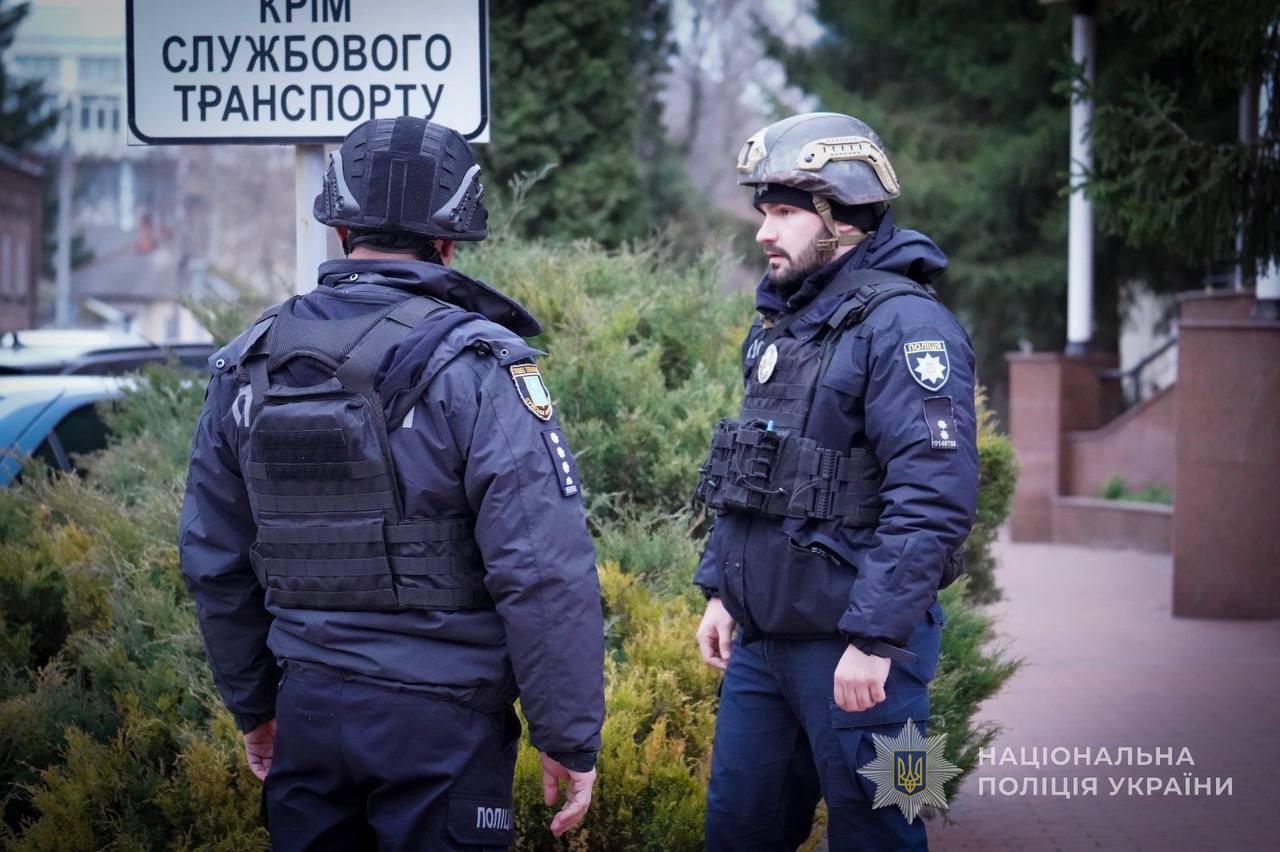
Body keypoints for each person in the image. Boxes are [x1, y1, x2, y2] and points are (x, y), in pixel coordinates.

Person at [178, 116, 604, 851]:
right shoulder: (479, 365)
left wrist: (256, 707)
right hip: (444, 725)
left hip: (307, 712)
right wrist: (567, 734)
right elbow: (540, 565)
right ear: (450, 243)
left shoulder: (247, 364)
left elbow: (214, 560)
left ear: (340, 231)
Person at [691, 112, 979, 851]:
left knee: (888, 834)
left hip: (874, 660)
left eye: (785, 213)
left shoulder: (910, 327)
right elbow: (754, 469)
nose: (765, 231)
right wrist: (722, 589)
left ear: (842, 217)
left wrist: (875, 640)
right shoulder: (787, 322)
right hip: (764, 652)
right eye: (764, 211)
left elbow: (933, 500)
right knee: (735, 835)